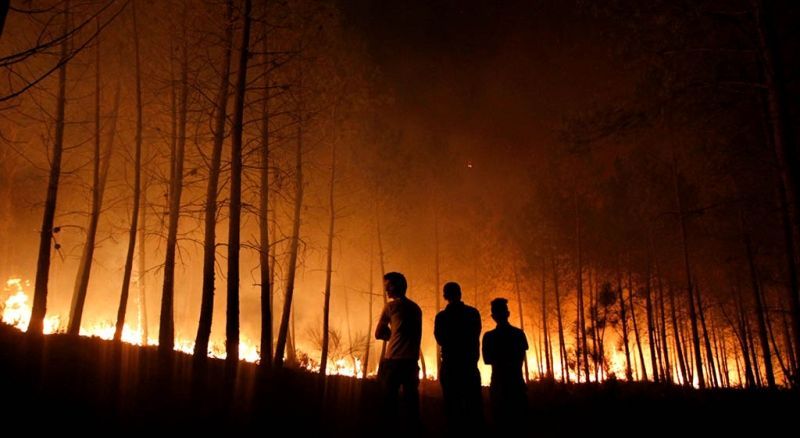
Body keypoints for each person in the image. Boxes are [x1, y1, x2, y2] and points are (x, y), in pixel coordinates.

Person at [375, 272, 423, 429]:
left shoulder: (391, 307)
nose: (387, 290)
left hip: (394, 362)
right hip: (411, 363)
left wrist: (392, 337)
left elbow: (378, 333)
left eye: (388, 286)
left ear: (397, 286)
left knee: (389, 403)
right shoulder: (416, 308)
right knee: (411, 405)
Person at [434, 282, 483, 431]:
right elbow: (475, 334)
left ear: (444, 296)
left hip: (450, 366)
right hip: (469, 367)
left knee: (452, 406)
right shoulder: (473, 313)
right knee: (472, 407)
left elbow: (440, 339)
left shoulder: (442, 317)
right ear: (460, 294)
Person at [481, 297, 528, 431]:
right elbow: (520, 358)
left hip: (498, 385)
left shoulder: (489, 337)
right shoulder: (518, 334)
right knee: (519, 425)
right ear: (508, 314)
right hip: (516, 384)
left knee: (500, 425)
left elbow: (487, 360)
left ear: (493, 316)